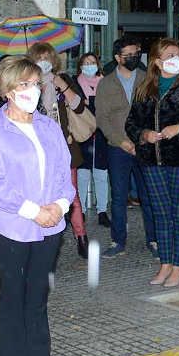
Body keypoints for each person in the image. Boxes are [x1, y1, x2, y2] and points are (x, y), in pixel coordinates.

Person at [0, 56, 75, 356]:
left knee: (37, 301)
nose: (32, 91)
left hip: (50, 228)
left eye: (35, 84)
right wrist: (34, 211)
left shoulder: (49, 127)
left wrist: (60, 206)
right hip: (13, 230)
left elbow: (65, 171)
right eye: (24, 85)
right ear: (6, 91)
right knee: (14, 299)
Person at [125, 40, 179, 287]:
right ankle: (164, 263)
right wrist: (144, 134)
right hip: (152, 160)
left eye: (178, 54)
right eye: (169, 55)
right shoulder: (145, 88)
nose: (175, 58)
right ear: (156, 61)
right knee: (161, 212)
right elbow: (130, 123)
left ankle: (178, 265)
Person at [26, 41, 94, 258]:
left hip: (65, 146)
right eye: (39, 58)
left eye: (47, 58)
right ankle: (44, 238)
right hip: (38, 149)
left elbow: (80, 107)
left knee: (71, 193)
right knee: (41, 195)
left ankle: (81, 236)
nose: (44, 62)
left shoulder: (63, 80)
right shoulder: (28, 84)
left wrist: (61, 85)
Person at [94, 38, 156, 258]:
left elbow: (153, 113)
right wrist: (121, 141)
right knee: (119, 196)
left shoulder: (147, 80)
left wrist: (141, 139)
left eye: (136, 53)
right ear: (118, 57)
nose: (133, 57)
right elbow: (102, 118)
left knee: (148, 194)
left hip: (144, 145)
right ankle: (118, 240)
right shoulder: (106, 83)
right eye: (128, 54)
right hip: (117, 147)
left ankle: (154, 239)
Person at [75, 52, 110, 226]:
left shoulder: (106, 83)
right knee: (82, 174)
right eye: (86, 63)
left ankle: (102, 210)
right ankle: (79, 210)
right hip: (83, 134)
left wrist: (91, 103)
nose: (89, 65)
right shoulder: (75, 83)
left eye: (92, 62)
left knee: (101, 174)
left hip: (102, 134)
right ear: (80, 66)